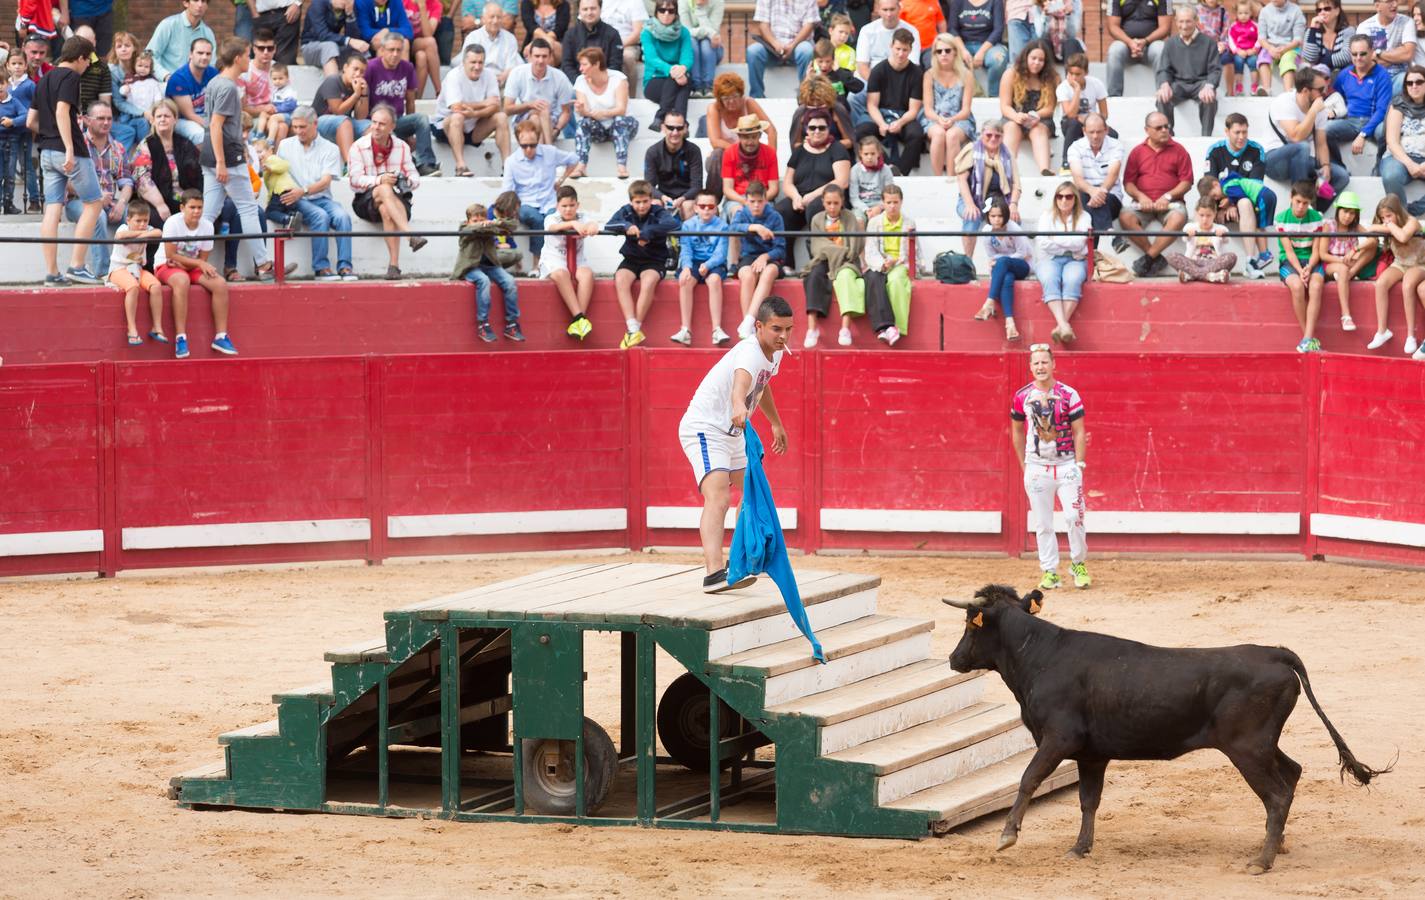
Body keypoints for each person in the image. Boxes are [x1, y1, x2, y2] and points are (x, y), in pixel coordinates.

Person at [677, 294, 792, 593]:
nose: (783, 336)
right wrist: (738, 404)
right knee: (719, 497)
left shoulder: (775, 353)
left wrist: (776, 422)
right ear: (759, 326)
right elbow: (743, 382)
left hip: (732, 433)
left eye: (788, 329)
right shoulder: (749, 352)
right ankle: (714, 573)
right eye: (777, 329)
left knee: (754, 493)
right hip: (706, 428)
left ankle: (742, 558)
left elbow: (761, 385)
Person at [1010, 343, 1090, 590]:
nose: (1040, 367)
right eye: (1036, 363)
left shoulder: (1069, 394)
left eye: (1045, 362)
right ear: (1030, 367)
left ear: (1053, 365)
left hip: (1066, 465)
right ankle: (1049, 570)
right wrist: (1025, 465)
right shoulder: (1021, 395)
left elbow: (1079, 431)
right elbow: (1016, 431)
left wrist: (1079, 463)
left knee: (1074, 516)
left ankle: (1078, 563)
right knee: (1043, 523)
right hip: (1037, 467)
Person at [198, 38, 275, 282]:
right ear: (237, 58)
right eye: (247, 55)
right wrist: (222, 161)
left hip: (210, 155)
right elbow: (216, 123)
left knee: (208, 213)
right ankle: (263, 264)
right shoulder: (229, 87)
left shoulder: (214, 82)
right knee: (248, 209)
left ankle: (198, 262)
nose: (249, 60)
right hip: (227, 157)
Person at [32, 35, 105, 286]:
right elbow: (62, 110)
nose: (87, 66)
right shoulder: (71, 76)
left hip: (46, 151)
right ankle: (77, 266)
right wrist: (70, 148)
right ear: (81, 57)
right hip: (67, 151)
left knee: (52, 209)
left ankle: (52, 273)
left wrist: (52, 132)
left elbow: (32, 121)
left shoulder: (43, 80)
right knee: (94, 203)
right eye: (88, 61)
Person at [155, 188, 236, 359]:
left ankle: (221, 336)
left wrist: (195, 264)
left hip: (189, 267)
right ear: (182, 208)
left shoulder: (207, 225)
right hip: (166, 265)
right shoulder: (172, 222)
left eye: (199, 207)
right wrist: (197, 263)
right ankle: (181, 338)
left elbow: (203, 257)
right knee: (182, 280)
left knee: (220, 283)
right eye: (192, 207)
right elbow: (170, 255)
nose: (197, 211)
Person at [348, 103, 426, 279]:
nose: (376, 127)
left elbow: (415, 176)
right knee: (383, 188)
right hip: (365, 201)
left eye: (382, 124)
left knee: (386, 208)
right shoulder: (358, 146)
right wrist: (379, 180)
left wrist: (404, 180)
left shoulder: (402, 147)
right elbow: (354, 181)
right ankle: (409, 235)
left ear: (392, 127)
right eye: (374, 122)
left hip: (394, 199)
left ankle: (394, 267)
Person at [278, 106, 356, 281]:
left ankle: (345, 267)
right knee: (320, 216)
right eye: (295, 127)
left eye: (302, 127)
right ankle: (321, 268)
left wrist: (302, 191)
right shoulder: (284, 145)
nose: (298, 131)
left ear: (315, 124)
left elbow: (325, 181)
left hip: (318, 197)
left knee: (343, 217)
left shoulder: (330, 148)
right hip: (295, 200)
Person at [605, 179, 680, 349]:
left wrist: (648, 232)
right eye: (637, 202)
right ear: (631, 201)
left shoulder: (657, 211)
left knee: (648, 282)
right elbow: (609, 224)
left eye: (645, 201)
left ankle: (634, 329)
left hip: (654, 260)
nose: (641, 206)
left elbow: (673, 224)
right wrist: (626, 226)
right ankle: (632, 328)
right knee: (620, 279)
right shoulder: (626, 212)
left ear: (651, 199)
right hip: (631, 259)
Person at [1204, 112, 1279, 277]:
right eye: (1237, 132)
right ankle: (1204, 260)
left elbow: (1255, 187)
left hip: (1247, 205)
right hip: (1221, 206)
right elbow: (1209, 187)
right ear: (1227, 131)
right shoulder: (1215, 151)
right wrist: (1225, 205)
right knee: (1203, 207)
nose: (1241, 137)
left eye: (1244, 132)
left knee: (1244, 202)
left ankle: (1250, 261)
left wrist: (1233, 203)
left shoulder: (1256, 150)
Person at [776, 109, 851, 270]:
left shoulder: (837, 149)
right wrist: (796, 197)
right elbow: (787, 183)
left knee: (816, 207)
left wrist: (811, 196)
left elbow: (842, 181)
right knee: (781, 211)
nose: (816, 131)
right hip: (801, 199)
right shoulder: (799, 151)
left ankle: (817, 263)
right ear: (806, 129)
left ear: (829, 128)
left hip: (826, 200)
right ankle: (786, 264)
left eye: (821, 127)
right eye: (812, 127)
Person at [130, 99, 202, 267]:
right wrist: (161, 204)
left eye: (167, 116)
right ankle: (155, 267)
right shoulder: (147, 145)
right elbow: (142, 179)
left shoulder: (184, 143)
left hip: (183, 200)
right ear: (152, 120)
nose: (163, 119)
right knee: (156, 220)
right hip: (156, 201)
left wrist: (192, 202)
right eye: (159, 116)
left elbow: (198, 174)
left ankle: (187, 264)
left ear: (175, 119)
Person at [1120, 111, 1192, 277]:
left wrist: (1167, 197)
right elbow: (1128, 183)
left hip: (1171, 203)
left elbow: (1186, 182)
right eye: (1159, 127)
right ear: (1147, 130)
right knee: (1125, 217)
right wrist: (1140, 196)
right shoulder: (1137, 152)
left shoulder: (1179, 150)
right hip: (1142, 203)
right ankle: (1155, 257)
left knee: (1179, 217)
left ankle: (1149, 257)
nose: (1164, 130)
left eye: (1167, 126)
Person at [64, 99, 129, 281]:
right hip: (79, 201)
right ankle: (104, 271)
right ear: (87, 120)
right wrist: (95, 196)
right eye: (100, 118)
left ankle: (131, 266)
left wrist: (122, 203)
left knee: (132, 215)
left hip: (110, 201)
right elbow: (66, 182)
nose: (106, 122)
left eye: (109, 118)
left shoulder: (118, 148)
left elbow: (126, 181)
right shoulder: (76, 146)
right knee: (97, 215)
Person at [502, 117, 582, 263]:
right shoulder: (511, 161)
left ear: (538, 140)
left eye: (532, 145)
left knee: (554, 217)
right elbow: (507, 191)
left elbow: (574, 159)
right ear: (518, 142)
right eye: (524, 146)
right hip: (525, 204)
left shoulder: (549, 152)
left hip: (549, 202)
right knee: (538, 219)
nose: (528, 149)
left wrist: (561, 179)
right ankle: (537, 263)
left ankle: (555, 262)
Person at [1263, 68, 1346, 205]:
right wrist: (1313, 111)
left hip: (1301, 161)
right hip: (1275, 160)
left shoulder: (1319, 109)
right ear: (1306, 91)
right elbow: (1296, 136)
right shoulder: (1284, 102)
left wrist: (1325, 166)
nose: (1324, 93)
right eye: (1320, 89)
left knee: (1341, 176)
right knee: (1302, 147)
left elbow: (1321, 143)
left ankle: (1312, 213)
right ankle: (1297, 204)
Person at [365, 33, 441, 175]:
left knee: (422, 119)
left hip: (397, 120)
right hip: (376, 123)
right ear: (382, 50)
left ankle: (426, 163)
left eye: (399, 50)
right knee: (388, 132)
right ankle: (413, 164)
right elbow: (362, 99)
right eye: (391, 49)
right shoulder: (371, 67)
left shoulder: (407, 67)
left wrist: (410, 132)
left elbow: (410, 100)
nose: (395, 54)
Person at [855, 28, 925, 176]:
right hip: (880, 113)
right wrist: (881, 123)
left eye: (905, 50)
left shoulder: (917, 73)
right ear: (891, 46)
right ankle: (887, 166)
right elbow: (872, 104)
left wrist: (900, 123)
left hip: (904, 116)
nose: (901, 54)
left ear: (910, 50)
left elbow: (914, 109)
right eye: (898, 49)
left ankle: (900, 172)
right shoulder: (878, 70)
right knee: (862, 130)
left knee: (917, 134)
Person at [802, 183, 863, 347]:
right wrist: (840, 249)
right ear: (823, 202)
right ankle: (812, 328)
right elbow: (817, 247)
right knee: (813, 276)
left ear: (842, 202)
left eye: (836, 203)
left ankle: (845, 328)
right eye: (828, 203)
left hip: (846, 262)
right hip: (823, 260)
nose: (832, 207)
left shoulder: (850, 218)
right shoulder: (817, 219)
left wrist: (834, 250)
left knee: (846, 278)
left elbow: (854, 248)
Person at [453, 200, 523, 342]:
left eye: (482, 219)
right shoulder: (464, 227)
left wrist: (495, 223)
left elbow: (513, 225)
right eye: (475, 220)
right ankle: (483, 324)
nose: (480, 222)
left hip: (490, 266)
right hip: (471, 267)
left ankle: (512, 323)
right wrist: (484, 225)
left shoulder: (490, 227)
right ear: (468, 221)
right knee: (483, 281)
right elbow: (471, 229)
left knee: (510, 282)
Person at [435, 44, 509, 177]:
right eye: (473, 62)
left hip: (473, 126)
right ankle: (460, 166)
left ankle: (508, 167)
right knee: (458, 116)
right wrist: (484, 103)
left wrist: (475, 113)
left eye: (481, 62)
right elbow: (456, 107)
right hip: (445, 127)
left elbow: (496, 106)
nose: (477, 66)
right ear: (463, 63)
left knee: (501, 117)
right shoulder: (454, 76)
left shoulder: (489, 75)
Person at [540, 184, 601, 338]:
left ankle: (579, 322)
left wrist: (593, 226)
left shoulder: (582, 217)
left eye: (572, 205)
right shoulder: (551, 217)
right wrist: (573, 224)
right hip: (554, 259)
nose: (568, 209)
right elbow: (553, 227)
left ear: (577, 205)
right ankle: (579, 318)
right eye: (564, 206)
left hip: (578, 260)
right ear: (557, 206)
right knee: (561, 274)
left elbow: (592, 223)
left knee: (587, 274)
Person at [1366, 193, 1425, 353]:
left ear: (1398, 212)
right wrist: (1383, 226)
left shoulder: (1412, 222)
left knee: (1407, 284)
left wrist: (1387, 226)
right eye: (1383, 217)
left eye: (1389, 216)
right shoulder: (1387, 225)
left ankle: (1411, 336)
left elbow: (1404, 236)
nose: (1386, 220)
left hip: (1419, 264)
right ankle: (1382, 330)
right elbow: (1368, 230)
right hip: (1400, 263)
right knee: (1381, 283)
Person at [1274, 179, 1327, 352]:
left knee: (1316, 285)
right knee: (1297, 286)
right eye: (1298, 202)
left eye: (1305, 203)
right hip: (1290, 262)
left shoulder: (1317, 219)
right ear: (1291, 197)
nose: (1300, 207)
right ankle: (1309, 338)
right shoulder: (1281, 219)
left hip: (1311, 261)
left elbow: (1316, 251)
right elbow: (1288, 252)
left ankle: (1307, 339)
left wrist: (1309, 268)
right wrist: (1300, 271)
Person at [705, 72, 777, 199]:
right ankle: (712, 202)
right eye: (726, 98)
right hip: (726, 158)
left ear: (741, 94)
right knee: (716, 155)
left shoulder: (748, 103)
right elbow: (715, 141)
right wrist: (737, 152)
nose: (731, 101)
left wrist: (771, 158)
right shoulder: (714, 108)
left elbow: (771, 131)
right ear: (719, 99)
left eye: (735, 96)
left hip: (752, 154)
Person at [954, 119, 1020, 257]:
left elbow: (1016, 185)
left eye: (997, 136)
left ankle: (1014, 261)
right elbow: (962, 180)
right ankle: (968, 263)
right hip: (972, 199)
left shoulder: (1007, 155)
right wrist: (970, 204)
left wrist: (1013, 205)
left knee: (1014, 219)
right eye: (989, 135)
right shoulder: (972, 150)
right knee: (972, 216)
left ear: (1002, 137)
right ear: (982, 135)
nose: (993, 139)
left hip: (998, 201)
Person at [675, 188, 732, 345]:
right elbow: (685, 249)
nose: (706, 209)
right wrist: (686, 267)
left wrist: (708, 265)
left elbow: (721, 254)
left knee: (714, 280)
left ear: (716, 208)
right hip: (693, 262)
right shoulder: (687, 225)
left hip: (713, 263)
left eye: (711, 206)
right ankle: (685, 329)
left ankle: (717, 329)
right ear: (695, 208)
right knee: (685, 280)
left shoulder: (722, 226)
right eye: (702, 206)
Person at [862, 183, 917, 346]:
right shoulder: (874, 222)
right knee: (872, 277)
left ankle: (896, 327)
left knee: (895, 281)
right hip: (881, 262)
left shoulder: (909, 222)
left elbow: (910, 251)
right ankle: (884, 327)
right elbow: (870, 249)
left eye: (895, 202)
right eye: (889, 203)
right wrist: (882, 264)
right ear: (883, 203)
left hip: (900, 263)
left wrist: (895, 261)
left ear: (901, 202)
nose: (892, 206)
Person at [730, 180, 786, 339]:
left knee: (768, 272)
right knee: (747, 275)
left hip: (770, 257)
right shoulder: (742, 213)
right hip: (748, 257)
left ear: (766, 200)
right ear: (746, 200)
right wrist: (754, 227)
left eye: (759, 201)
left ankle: (748, 321)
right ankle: (749, 327)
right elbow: (732, 228)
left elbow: (781, 248)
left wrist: (765, 257)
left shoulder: (775, 217)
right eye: (752, 201)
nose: (756, 205)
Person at [1036, 182, 1090, 341]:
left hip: (1076, 259)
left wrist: (1056, 239)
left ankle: (1061, 326)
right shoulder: (1046, 215)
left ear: (1075, 198)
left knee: (1072, 279)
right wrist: (1068, 241)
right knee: (1049, 278)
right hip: (1050, 259)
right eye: (1059, 196)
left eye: (1068, 196)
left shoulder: (1084, 216)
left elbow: (1080, 243)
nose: (1064, 200)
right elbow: (1043, 243)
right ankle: (1064, 325)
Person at [1155, 5, 1220, 137]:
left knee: (1209, 98)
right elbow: (1164, 69)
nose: (1184, 26)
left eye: (1188, 21)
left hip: (1200, 84)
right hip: (1178, 85)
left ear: (1196, 20)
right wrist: (1164, 84)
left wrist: (1209, 86)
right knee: (1162, 97)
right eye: (1181, 21)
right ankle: (1168, 137)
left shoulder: (1209, 43)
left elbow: (1215, 70)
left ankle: (1206, 137)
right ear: (1176, 21)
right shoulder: (1170, 43)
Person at [1326, 36, 1391, 167]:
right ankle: (1339, 168)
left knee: (1384, 132)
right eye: (1354, 54)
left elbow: (1382, 110)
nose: (1358, 58)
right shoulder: (1344, 74)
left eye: (1363, 54)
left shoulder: (1383, 75)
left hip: (1375, 121)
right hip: (1350, 121)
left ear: (1372, 51)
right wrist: (1333, 111)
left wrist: (1363, 134)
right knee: (1324, 130)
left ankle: (1379, 169)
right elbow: (1336, 97)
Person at [1065, 112, 1129, 246]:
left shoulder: (1116, 145)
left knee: (1099, 201)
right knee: (1085, 197)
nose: (1095, 136)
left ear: (1106, 130)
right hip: (1086, 196)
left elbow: (1113, 174)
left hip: (1111, 197)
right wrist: (1093, 191)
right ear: (1084, 131)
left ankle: (1090, 254)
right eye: (1091, 132)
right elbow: (1078, 179)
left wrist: (1100, 192)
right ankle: (1111, 235)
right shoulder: (1075, 147)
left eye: (1099, 132)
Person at [572, 47, 636, 177]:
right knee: (583, 123)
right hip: (599, 128)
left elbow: (621, 109)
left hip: (624, 124)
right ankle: (581, 166)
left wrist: (602, 113)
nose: (580, 69)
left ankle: (622, 167)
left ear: (597, 64)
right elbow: (586, 113)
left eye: (584, 65)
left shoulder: (618, 78)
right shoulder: (580, 81)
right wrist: (582, 110)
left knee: (619, 120)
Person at [108, 200, 165, 346]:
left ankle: (157, 327)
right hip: (118, 269)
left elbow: (159, 232)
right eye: (138, 220)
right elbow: (121, 236)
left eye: (145, 220)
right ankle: (131, 329)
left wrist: (141, 234)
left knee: (156, 286)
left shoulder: (149, 229)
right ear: (128, 220)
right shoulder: (122, 228)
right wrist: (143, 234)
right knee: (133, 287)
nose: (142, 224)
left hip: (137, 268)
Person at [1320, 190, 1377, 333]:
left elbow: (1373, 240)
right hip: (1331, 264)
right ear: (1338, 210)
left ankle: (1348, 275)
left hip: (1349, 264)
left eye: (1352, 213)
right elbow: (1322, 254)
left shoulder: (1355, 227)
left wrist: (1355, 249)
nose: (1348, 216)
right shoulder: (1329, 225)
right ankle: (1346, 316)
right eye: (1345, 211)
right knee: (1342, 269)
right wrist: (1341, 261)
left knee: (1371, 249)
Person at [977, 196, 1032, 341]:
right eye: (993, 216)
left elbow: (1022, 253)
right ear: (988, 216)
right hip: (1003, 269)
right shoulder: (987, 232)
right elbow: (991, 255)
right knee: (1007, 278)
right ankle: (1010, 323)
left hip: (1021, 265)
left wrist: (1004, 260)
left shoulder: (1014, 228)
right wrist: (1000, 261)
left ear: (1006, 216)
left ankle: (989, 302)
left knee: (1002, 262)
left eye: (1000, 216)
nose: (996, 219)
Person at [1000, 40, 1059, 177]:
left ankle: (1045, 169)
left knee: (1038, 129)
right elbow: (1005, 106)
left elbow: (1050, 107)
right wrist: (1017, 116)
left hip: (1040, 119)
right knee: (1011, 128)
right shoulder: (1011, 74)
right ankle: (1006, 169)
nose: (1037, 63)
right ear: (1026, 57)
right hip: (1014, 118)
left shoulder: (1051, 77)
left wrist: (1035, 115)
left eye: (1041, 60)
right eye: (1033, 58)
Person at [923, 32, 976, 180]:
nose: (943, 54)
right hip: (934, 118)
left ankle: (952, 178)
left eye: (947, 50)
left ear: (955, 52)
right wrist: (940, 120)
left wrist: (952, 120)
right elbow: (928, 109)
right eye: (939, 51)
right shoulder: (929, 75)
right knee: (939, 134)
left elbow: (966, 109)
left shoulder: (967, 75)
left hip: (960, 118)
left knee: (952, 135)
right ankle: (938, 178)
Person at [503, 37, 575, 145]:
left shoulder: (559, 77)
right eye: (537, 56)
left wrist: (557, 129)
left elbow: (566, 112)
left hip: (551, 121)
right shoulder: (517, 73)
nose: (540, 60)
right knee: (537, 116)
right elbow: (507, 109)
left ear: (550, 57)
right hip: (523, 120)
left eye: (544, 56)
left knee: (541, 114)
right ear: (530, 57)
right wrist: (531, 105)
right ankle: (549, 149)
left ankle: (541, 155)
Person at [746, 0, 818, 98]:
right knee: (753, 51)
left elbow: (809, 26)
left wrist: (792, 45)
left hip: (798, 45)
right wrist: (775, 43)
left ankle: (805, 96)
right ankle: (757, 97)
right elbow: (763, 25)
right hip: (771, 48)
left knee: (806, 50)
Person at [641, 2, 693, 131]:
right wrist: (672, 71)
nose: (666, 14)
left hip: (677, 77)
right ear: (656, 12)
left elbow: (687, 57)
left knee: (682, 82)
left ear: (676, 13)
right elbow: (652, 59)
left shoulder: (683, 32)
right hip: (653, 81)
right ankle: (682, 125)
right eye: (662, 10)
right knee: (683, 84)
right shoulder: (647, 32)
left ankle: (661, 117)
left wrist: (683, 69)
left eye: (670, 11)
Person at [1382, 64, 1425, 217]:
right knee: (1391, 175)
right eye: (1409, 83)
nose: (1414, 86)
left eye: (1419, 82)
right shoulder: (1398, 105)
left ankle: (1414, 210)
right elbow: (1392, 142)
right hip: (1400, 158)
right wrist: (1411, 165)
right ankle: (1402, 218)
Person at [313, 53, 372, 163]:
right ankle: (349, 165)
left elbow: (360, 117)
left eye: (362, 71)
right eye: (355, 69)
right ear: (345, 68)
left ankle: (373, 164)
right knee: (344, 121)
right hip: (318, 122)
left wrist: (363, 94)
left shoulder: (357, 87)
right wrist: (356, 95)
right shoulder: (333, 81)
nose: (358, 74)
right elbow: (338, 111)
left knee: (370, 126)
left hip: (344, 124)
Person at [1057, 51, 1110, 171]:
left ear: (1086, 73)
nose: (1074, 78)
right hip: (1070, 124)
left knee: (1112, 134)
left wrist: (1090, 121)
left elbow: (1104, 114)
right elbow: (1070, 114)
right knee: (1074, 124)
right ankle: (1066, 163)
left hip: (1091, 123)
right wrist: (1077, 90)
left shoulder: (1096, 84)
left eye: (1078, 74)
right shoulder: (1063, 87)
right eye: (1071, 73)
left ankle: (1104, 164)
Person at [946, 0, 1009, 100]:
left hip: (989, 45)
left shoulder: (995, 2)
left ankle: (994, 96)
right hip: (963, 45)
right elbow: (952, 29)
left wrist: (982, 52)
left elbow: (998, 29)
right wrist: (962, 50)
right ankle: (957, 98)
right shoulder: (958, 2)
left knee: (999, 59)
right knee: (948, 58)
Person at [1105, 0, 1170, 97]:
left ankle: (1163, 95)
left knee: (1160, 48)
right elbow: (1112, 26)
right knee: (1114, 50)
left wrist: (1145, 41)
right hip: (1126, 45)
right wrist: (1130, 42)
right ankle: (1114, 98)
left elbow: (1165, 27)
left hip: (1150, 45)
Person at [1166, 195, 1237, 283]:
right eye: (1201, 215)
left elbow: (1226, 240)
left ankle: (1191, 275)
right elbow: (1185, 238)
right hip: (1193, 262)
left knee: (1231, 257)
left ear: (1214, 214)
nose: (1204, 219)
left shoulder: (1220, 228)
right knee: (1171, 256)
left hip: (1214, 263)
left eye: (1208, 215)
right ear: (1196, 213)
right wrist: (1188, 234)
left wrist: (1222, 235)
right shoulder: (1190, 227)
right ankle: (1209, 276)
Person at [644, 111, 702, 218]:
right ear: (663, 128)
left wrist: (683, 198)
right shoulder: (653, 152)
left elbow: (697, 186)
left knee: (688, 206)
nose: (675, 132)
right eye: (670, 127)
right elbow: (648, 186)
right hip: (663, 196)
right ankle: (655, 235)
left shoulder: (694, 150)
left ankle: (688, 235)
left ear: (685, 128)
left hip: (687, 197)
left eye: (679, 128)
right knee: (653, 204)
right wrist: (663, 197)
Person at [721, 114, 779, 220]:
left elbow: (774, 188)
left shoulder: (770, 153)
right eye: (746, 137)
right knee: (738, 213)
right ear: (739, 136)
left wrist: (758, 201)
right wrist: (746, 202)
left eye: (754, 136)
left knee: (767, 213)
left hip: (763, 197)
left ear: (760, 135)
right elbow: (727, 189)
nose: (750, 142)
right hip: (737, 198)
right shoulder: (729, 152)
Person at [1353, 0, 1418, 92]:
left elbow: (1408, 54)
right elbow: (1363, 61)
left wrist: (1378, 53)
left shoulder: (1407, 22)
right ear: (1377, 6)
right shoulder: (1364, 27)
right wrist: (1398, 55)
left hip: (1400, 77)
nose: (1395, 5)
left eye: (1396, 0)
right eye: (1389, 1)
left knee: (1410, 81)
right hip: (1374, 77)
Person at [165, 36, 217, 146]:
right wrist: (213, 126)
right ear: (190, 54)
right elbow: (189, 114)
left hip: (206, 116)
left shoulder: (213, 73)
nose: (204, 57)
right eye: (200, 53)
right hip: (180, 120)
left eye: (208, 54)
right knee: (200, 134)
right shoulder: (179, 79)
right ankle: (203, 163)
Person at [146, 0, 217, 80]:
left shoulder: (208, 33)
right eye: (196, 0)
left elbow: (211, 64)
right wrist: (166, 76)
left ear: (207, 6)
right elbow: (149, 55)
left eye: (203, 1)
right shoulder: (168, 25)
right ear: (185, 3)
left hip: (197, 87)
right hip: (167, 85)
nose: (200, 5)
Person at [562, 0, 625, 86]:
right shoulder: (570, 35)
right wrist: (580, 82)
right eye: (585, 9)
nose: (589, 12)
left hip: (606, 85)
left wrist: (600, 81)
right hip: (577, 84)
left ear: (600, 9)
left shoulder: (613, 34)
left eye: (593, 8)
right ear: (579, 11)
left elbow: (615, 64)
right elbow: (567, 64)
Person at [244, 29, 288, 145]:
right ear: (254, 49)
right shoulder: (245, 70)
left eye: (270, 48)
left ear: (275, 49)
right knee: (280, 127)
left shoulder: (279, 69)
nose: (265, 52)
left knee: (283, 126)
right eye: (261, 48)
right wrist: (263, 109)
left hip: (275, 114)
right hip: (251, 117)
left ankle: (274, 160)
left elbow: (287, 97)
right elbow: (241, 107)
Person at [301, 0, 369, 76]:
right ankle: (333, 85)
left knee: (361, 49)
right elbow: (322, 35)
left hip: (334, 49)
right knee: (329, 46)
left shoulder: (348, 7)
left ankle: (368, 84)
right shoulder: (318, 3)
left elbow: (354, 38)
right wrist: (349, 40)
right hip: (310, 48)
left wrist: (350, 14)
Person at [463, 2, 523, 87]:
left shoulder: (510, 38)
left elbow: (511, 65)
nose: (495, 21)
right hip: (478, 81)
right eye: (491, 17)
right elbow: (468, 64)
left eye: (499, 17)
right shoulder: (473, 37)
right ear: (483, 19)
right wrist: (488, 80)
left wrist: (502, 77)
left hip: (503, 82)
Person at [790, 74, 854, 151]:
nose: (815, 104)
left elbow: (849, 141)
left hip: (835, 154)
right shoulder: (801, 112)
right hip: (808, 155)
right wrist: (811, 145)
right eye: (812, 100)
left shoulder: (837, 109)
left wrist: (826, 145)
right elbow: (795, 144)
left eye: (818, 100)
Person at [1257, 0, 1306, 92]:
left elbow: (1298, 39)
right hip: (1270, 47)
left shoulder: (1296, 11)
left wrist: (1284, 49)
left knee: (1288, 60)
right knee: (1263, 58)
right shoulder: (1264, 11)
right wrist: (1271, 48)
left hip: (1291, 48)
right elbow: (1261, 38)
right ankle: (1266, 90)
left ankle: (1288, 92)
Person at [1300, 0, 1352, 81]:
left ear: (1337, 11)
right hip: (1317, 74)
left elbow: (1346, 56)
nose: (1322, 12)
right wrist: (1313, 29)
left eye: (1327, 9)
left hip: (1341, 74)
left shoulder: (1348, 31)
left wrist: (1320, 61)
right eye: (1319, 10)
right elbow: (1309, 58)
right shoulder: (1311, 32)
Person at [680, 0, 723, 97]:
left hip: (713, 49)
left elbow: (714, 31)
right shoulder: (683, 2)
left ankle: (708, 87)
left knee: (706, 44)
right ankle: (697, 87)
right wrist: (708, 33)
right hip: (692, 45)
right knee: (691, 42)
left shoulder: (718, 2)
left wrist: (700, 10)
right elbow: (686, 30)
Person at [849, 135, 893, 224]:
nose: (869, 157)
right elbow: (854, 198)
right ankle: (861, 238)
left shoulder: (885, 170)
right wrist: (866, 210)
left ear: (878, 153)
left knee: (881, 221)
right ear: (860, 153)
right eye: (866, 154)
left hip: (881, 206)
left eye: (872, 153)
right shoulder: (855, 170)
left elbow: (889, 195)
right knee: (858, 221)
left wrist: (879, 207)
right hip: (861, 206)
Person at [601, 0, 646, 77]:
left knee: (628, 57)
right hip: (600, 42)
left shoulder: (636, 2)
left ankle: (628, 89)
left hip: (628, 45)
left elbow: (638, 32)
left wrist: (617, 45)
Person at [1226, 0, 1262, 94]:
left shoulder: (1255, 26)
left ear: (1250, 13)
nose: (1243, 15)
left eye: (1246, 13)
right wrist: (1236, 51)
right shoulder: (1234, 26)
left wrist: (1254, 49)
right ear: (1236, 14)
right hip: (1239, 51)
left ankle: (1254, 85)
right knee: (1238, 62)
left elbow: (1260, 38)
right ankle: (1239, 86)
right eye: (1240, 13)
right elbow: (1230, 39)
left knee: (1253, 62)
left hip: (1251, 51)